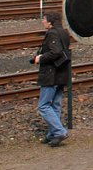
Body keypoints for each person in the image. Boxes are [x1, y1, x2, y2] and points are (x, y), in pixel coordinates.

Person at [34, 11, 71, 146]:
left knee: (43, 106)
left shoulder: (52, 33)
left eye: (44, 19)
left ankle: (60, 131)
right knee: (55, 105)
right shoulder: (64, 32)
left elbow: (55, 52)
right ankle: (52, 134)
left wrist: (40, 57)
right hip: (62, 73)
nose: (42, 21)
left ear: (50, 21)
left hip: (51, 74)